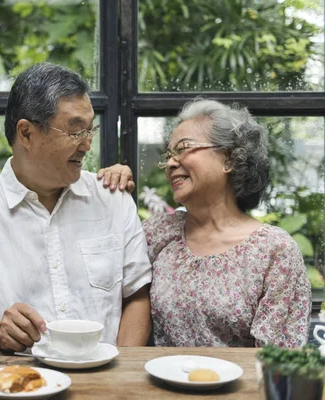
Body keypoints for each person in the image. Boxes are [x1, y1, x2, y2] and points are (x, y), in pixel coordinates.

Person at [0, 63, 152, 352]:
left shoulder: (113, 198)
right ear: (26, 133)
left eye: (91, 131)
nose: (88, 145)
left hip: (107, 379)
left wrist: (123, 372)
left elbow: (136, 296)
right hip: (17, 379)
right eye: (76, 132)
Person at [99, 99, 311, 347]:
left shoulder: (274, 251)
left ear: (229, 159)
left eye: (184, 148)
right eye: (168, 155)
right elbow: (100, 281)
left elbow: (277, 361)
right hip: (158, 383)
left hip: (241, 385)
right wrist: (109, 188)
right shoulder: (157, 233)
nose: (170, 163)